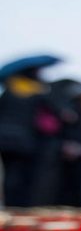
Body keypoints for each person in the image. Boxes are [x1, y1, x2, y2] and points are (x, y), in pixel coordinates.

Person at [0, 68, 45, 207]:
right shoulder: (36, 94)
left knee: (9, 175)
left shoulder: (8, 92)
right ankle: (19, 204)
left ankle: (9, 204)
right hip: (25, 141)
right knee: (22, 175)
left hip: (5, 141)